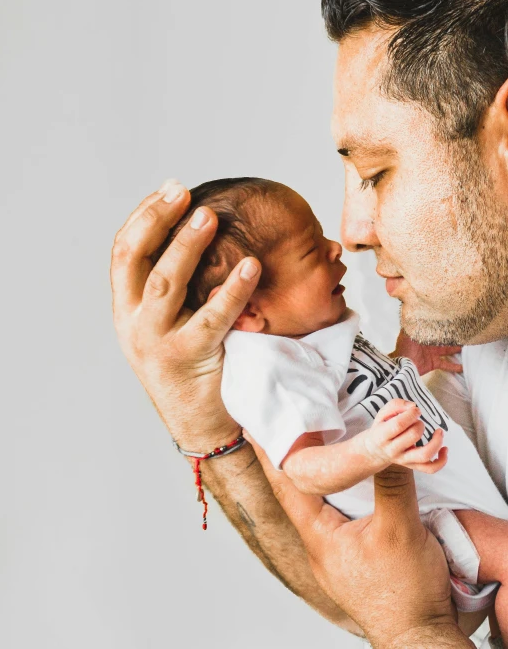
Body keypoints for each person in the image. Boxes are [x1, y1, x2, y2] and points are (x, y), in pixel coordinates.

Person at [110, 0, 508, 648]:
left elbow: (411, 612)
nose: (349, 229)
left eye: (375, 170)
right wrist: (205, 424)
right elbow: (378, 574)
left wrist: (416, 634)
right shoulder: (451, 336)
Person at [157, 175, 508, 631]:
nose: (336, 248)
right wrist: (375, 454)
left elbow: (365, 399)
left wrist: (408, 359)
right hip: (428, 526)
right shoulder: (268, 368)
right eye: (311, 252)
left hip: (444, 504)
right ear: (246, 309)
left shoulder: (307, 335)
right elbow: (303, 469)